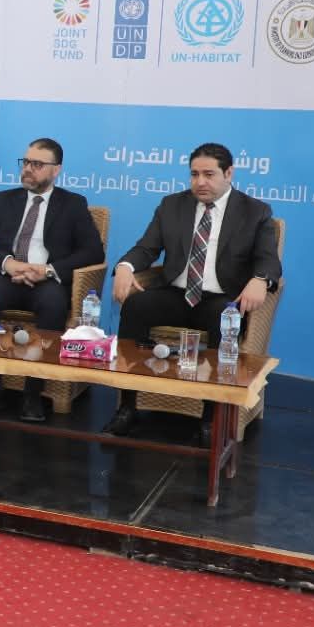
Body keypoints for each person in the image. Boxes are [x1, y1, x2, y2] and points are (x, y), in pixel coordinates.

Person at [107, 143, 282, 442]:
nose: (200, 182)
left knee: (224, 319)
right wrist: (125, 266)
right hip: (177, 293)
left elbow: (268, 259)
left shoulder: (255, 211)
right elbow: (146, 247)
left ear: (229, 173)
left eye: (209, 174)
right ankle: (128, 405)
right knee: (136, 307)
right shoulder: (172, 205)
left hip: (222, 298)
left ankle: (211, 416)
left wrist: (261, 279)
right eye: (194, 174)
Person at [0, 137, 105, 421]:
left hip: (48, 282)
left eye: (37, 164)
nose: (28, 169)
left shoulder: (73, 204)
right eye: (26, 162)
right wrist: (9, 263)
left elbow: (93, 251)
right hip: (8, 277)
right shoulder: (2, 200)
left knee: (54, 303)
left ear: (56, 170)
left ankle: (33, 392)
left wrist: (47, 270)